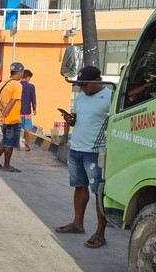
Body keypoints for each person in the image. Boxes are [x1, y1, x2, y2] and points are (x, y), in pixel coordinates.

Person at [55, 66, 111, 249]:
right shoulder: (80, 98)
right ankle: (78, 224)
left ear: (98, 79)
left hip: (96, 152)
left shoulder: (110, 97)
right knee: (79, 187)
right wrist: (71, 120)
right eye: (80, 85)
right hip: (76, 148)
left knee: (99, 193)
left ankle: (100, 233)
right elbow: (78, 118)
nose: (82, 89)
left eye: (85, 85)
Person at [0, 62, 24, 172]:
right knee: (10, 143)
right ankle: (7, 164)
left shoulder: (2, 83)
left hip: (3, 117)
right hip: (12, 119)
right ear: (20, 73)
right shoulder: (17, 85)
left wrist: (2, 111)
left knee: (5, 140)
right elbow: (12, 101)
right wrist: (5, 113)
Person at [20, 69, 37, 151]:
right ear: (28, 77)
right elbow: (33, 98)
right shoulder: (31, 86)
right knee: (27, 129)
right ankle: (27, 144)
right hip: (27, 111)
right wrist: (34, 108)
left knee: (17, 129)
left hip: (18, 111)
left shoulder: (17, 85)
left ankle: (17, 145)